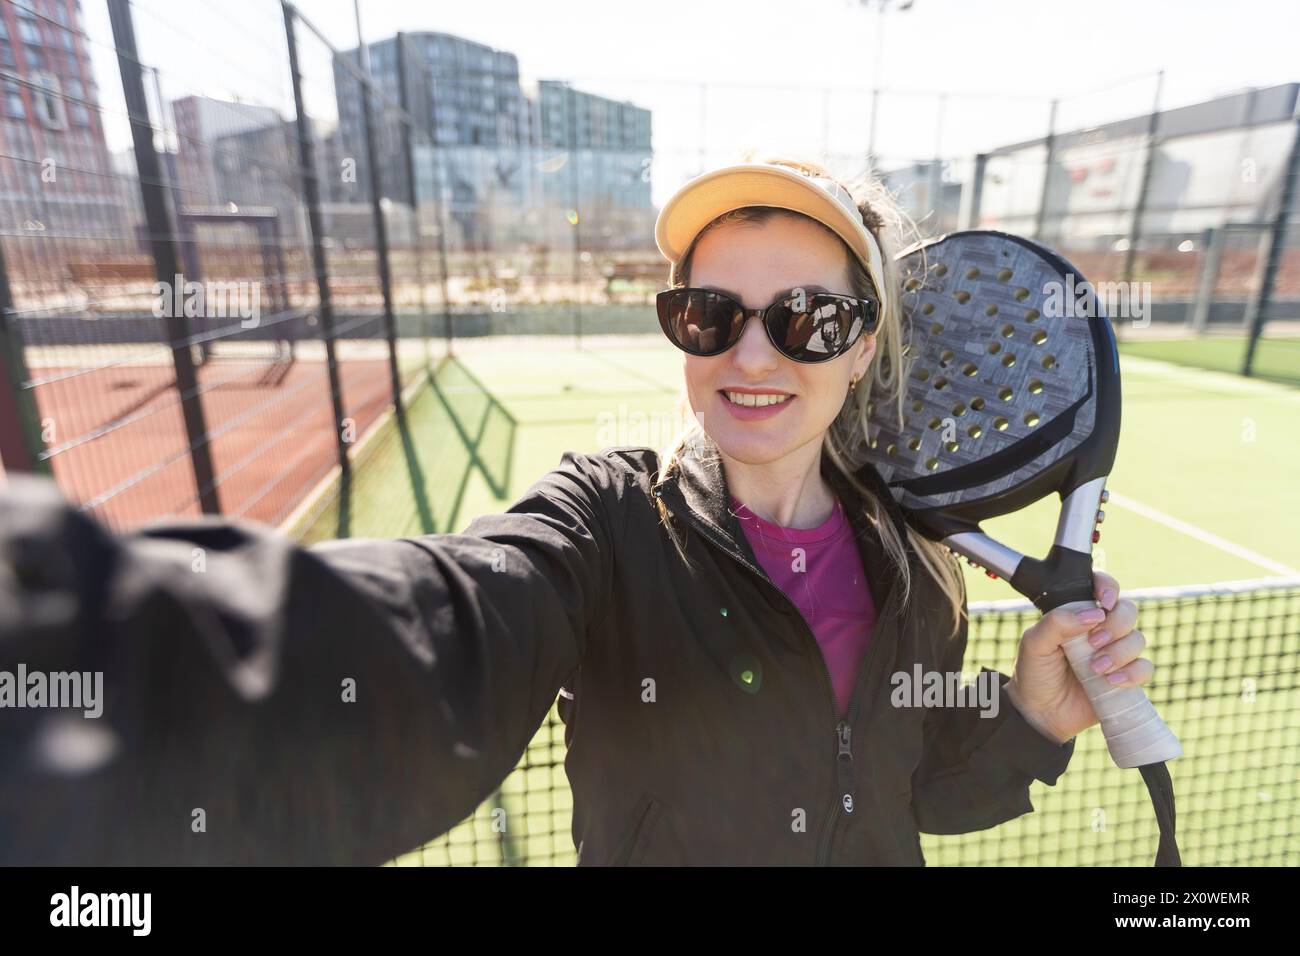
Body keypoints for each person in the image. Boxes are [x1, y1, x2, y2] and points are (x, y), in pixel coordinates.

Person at [0, 156, 1154, 866]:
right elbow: (441, 625)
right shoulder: (607, 523)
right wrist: (74, 633)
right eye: (710, 314)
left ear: (864, 349)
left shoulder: (910, 567)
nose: (751, 352)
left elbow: (911, 797)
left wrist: (1029, 722)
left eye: (805, 316)